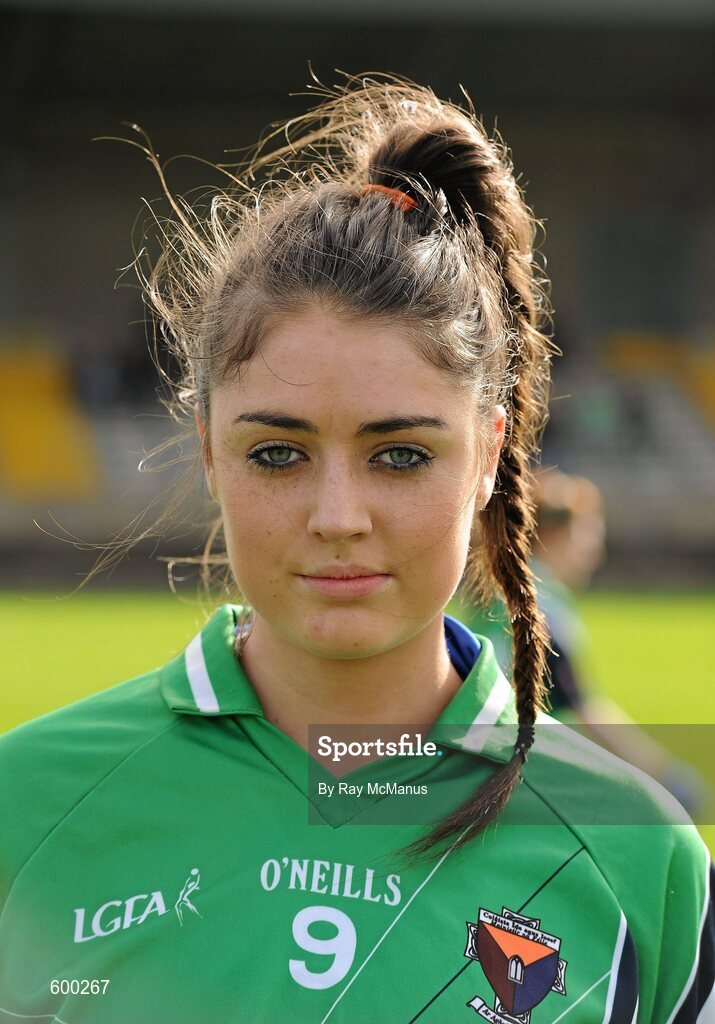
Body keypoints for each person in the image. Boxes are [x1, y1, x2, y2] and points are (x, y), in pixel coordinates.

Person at [0, 73, 712, 1024]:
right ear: (210, 452)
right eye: (279, 452)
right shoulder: (26, 807)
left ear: (490, 456)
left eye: (402, 454)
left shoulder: (641, 857)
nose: (338, 515)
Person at [449, 467, 707, 813]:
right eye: (588, 536)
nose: (595, 552)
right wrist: (663, 775)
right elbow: (585, 710)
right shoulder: (544, 610)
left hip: (461, 756)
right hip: (496, 769)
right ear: (555, 537)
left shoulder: (500, 593)